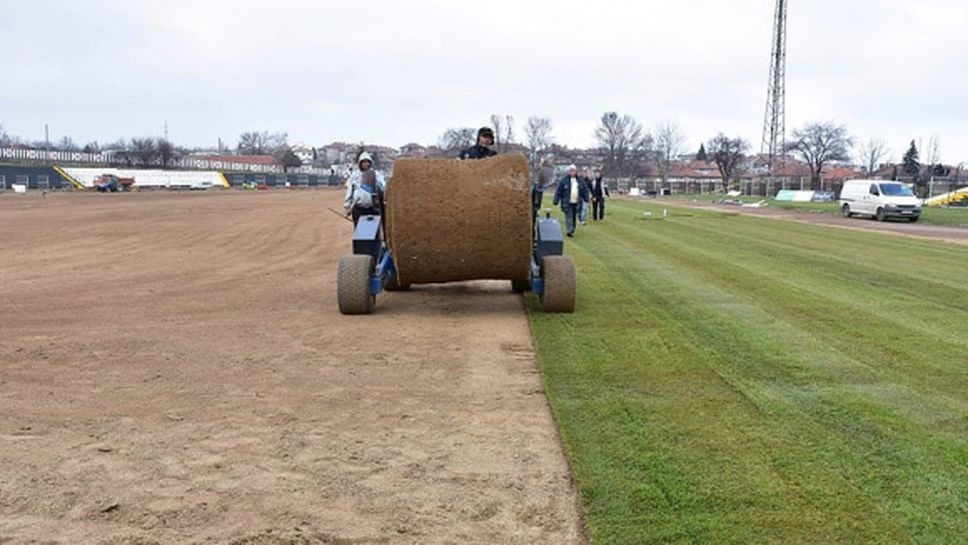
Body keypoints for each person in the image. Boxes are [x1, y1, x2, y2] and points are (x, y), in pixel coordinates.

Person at [343, 151, 386, 226]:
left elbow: (383, 187)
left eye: (368, 162)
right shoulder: (355, 175)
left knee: (374, 232)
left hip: (373, 208)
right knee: (359, 233)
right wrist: (347, 206)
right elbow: (350, 191)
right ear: (360, 163)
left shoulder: (376, 174)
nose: (366, 164)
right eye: (364, 162)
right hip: (359, 209)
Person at [553, 164, 589, 237]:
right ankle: (569, 230)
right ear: (568, 172)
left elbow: (585, 190)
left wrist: (586, 198)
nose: (572, 172)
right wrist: (556, 200)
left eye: (574, 171)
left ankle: (572, 229)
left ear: (576, 171)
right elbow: (558, 191)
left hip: (576, 202)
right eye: (571, 171)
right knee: (569, 216)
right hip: (567, 202)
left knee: (573, 217)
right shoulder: (564, 180)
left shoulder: (580, 180)